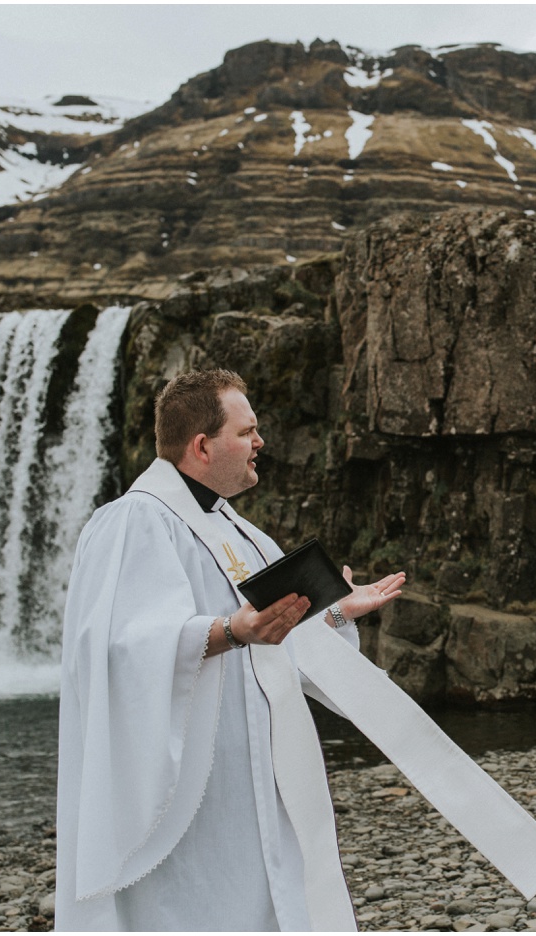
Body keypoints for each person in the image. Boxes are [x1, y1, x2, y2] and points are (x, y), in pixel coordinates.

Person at [55, 368, 408, 930]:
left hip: (259, 778)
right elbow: (116, 651)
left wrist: (337, 610)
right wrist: (228, 631)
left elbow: (273, 638)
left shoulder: (240, 533)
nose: (260, 442)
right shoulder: (134, 521)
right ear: (202, 445)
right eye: (247, 431)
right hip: (192, 789)